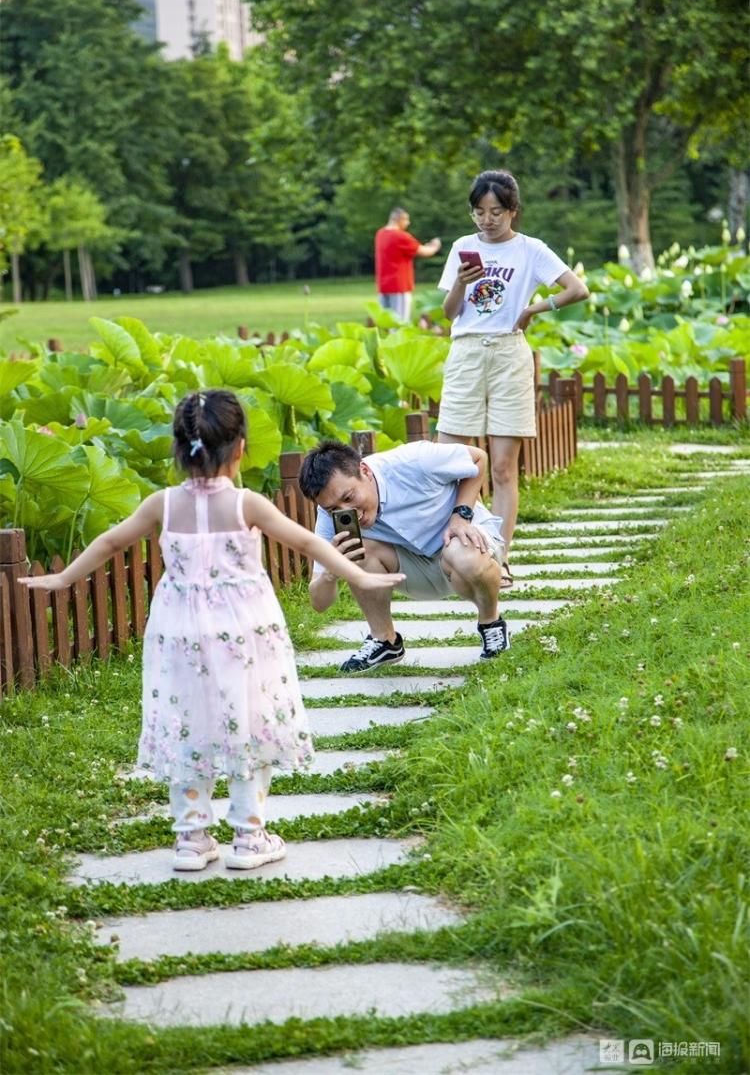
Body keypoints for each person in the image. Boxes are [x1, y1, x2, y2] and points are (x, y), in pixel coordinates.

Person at [19, 390, 404, 872]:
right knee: (250, 720)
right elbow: (307, 541)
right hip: (244, 632)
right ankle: (249, 835)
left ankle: (191, 839)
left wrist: (63, 577)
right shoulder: (247, 504)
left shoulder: (163, 504)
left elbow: (111, 540)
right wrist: (362, 576)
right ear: (240, 448)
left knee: (187, 723)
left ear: (178, 450)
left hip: (179, 632)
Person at [437, 169, 589, 587]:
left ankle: (498, 559)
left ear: (513, 211)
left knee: (503, 468)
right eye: (479, 212)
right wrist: (462, 285)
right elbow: (450, 313)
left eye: (496, 212)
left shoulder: (530, 250)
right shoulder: (462, 248)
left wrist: (534, 309)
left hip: (509, 353)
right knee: (449, 461)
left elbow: (577, 289)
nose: (487, 220)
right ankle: (456, 552)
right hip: (467, 352)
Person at [298, 438, 508, 672]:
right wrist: (332, 571)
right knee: (358, 551)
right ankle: (384, 640)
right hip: (415, 570)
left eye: (349, 498)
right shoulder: (328, 517)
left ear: (364, 471)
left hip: (469, 550)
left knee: (462, 555)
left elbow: (478, 457)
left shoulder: (414, 460)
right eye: (333, 509)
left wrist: (461, 515)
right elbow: (318, 603)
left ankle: (491, 622)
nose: (347, 512)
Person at [374, 207, 442, 323]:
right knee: (399, 323)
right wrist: (435, 246)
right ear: (398, 219)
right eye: (406, 220)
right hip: (399, 286)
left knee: (385, 324)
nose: (408, 223)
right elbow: (424, 251)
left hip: (383, 285)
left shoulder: (380, 234)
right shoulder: (401, 236)